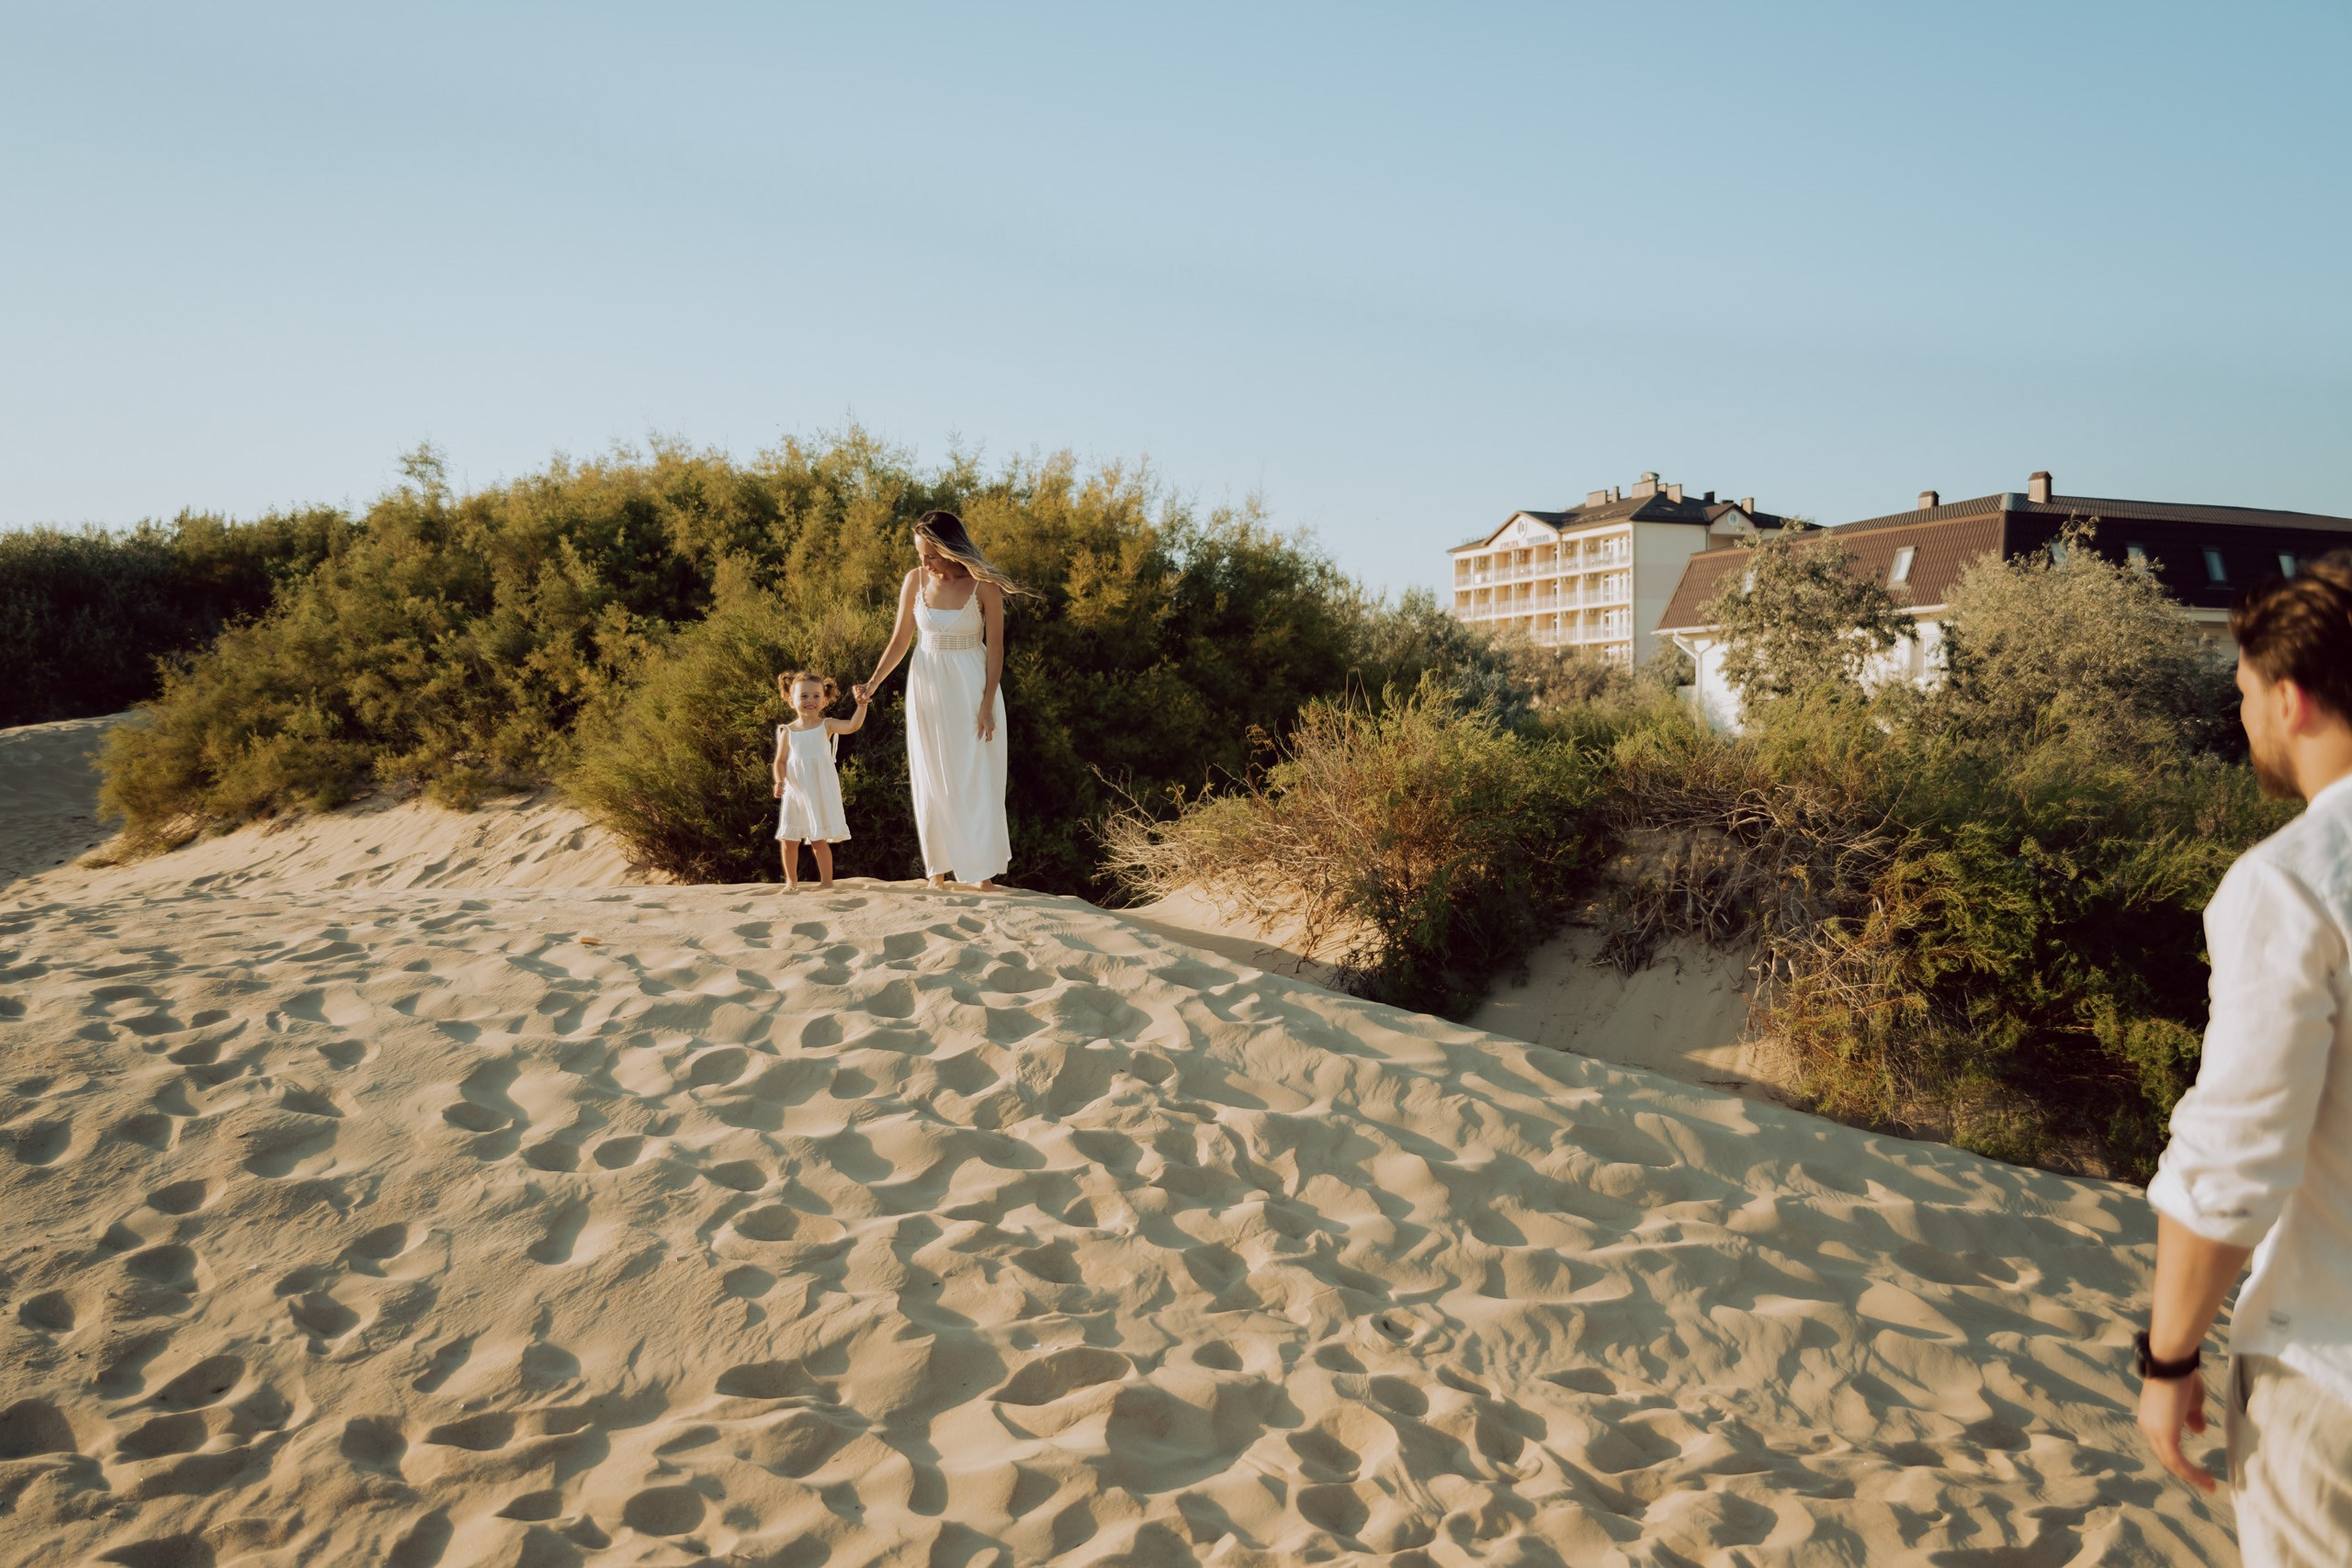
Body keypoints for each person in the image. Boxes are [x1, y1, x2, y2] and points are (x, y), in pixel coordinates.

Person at [2139, 551, 2352, 1565]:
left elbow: (2234, 1164)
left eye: (2242, 695)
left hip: (2332, 1377)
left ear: (2292, 698)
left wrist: (2167, 1352)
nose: (2242, 719)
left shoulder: (2295, 884)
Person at [853, 511, 1032, 890]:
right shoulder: (914, 581)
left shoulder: (984, 586)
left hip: (972, 687)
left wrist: (986, 704)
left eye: (931, 554)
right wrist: (872, 683)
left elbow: (996, 651)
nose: (925, 562)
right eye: (920, 554)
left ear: (951, 549)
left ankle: (981, 874)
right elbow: (901, 641)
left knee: (976, 777)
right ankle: (937, 873)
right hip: (927, 687)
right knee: (930, 774)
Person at [772, 670, 866, 890]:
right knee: (789, 840)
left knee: (818, 840)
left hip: (817, 792)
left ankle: (826, 883)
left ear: (824, 700)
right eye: (803, 696)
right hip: (795, 793)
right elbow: (780, 762)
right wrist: (779, 781)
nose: (810, 701)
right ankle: (791, 882)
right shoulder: (788, 731)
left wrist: (862, 705)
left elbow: (852, 726)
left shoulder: (827, 725)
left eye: (815, 696)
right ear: (791, 700)